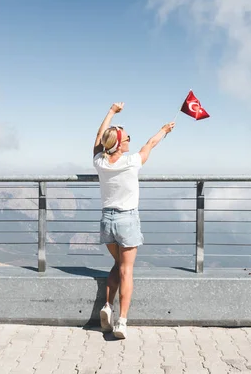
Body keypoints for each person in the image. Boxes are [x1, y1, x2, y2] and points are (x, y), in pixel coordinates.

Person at [92, 102, 175, 339]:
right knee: (127, 270)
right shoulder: (131, 163)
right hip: (127, 220)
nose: (130, 140)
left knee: (118, 265)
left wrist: (110, 112)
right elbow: (150, 144)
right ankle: (122, 322)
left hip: (107, 220)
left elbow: (99, 138)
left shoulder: (100, 163)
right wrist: (164, 130)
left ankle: (107, 306)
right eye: (127, 137)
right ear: (119, 143)